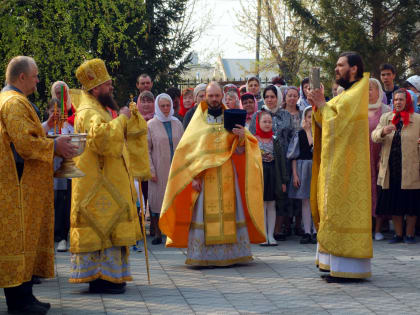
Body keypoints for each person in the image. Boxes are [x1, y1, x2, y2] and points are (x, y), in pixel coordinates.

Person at [0, 56, 76, 314]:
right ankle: (19, 302)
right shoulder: (14, 103)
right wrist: (54, 145)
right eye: (35, 76)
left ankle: (26, 296)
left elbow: (25, 135)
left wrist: (46, 127)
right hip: (18, 187)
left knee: (26, 241)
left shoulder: (13, 101)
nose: (38, 80)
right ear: (22, 77)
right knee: (19, 242)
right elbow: (23, 144)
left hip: (24, 185)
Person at [159, 82, 265, 266]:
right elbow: (188, 152)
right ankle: (203, 256)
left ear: (222, 96)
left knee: (231, 213)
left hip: (227, 175)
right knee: (203, 216)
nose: (214, 99)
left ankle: (231, 254)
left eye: (217, 96)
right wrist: (193, 177)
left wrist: (241, 137)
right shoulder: (197, 121)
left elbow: (241, 151)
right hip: (204, 177)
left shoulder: (231, 116)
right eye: (211, 96)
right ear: (206, 97)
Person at [70, 59, 142, 294]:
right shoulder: (89, 110)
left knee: (108, 228)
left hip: (105, 183)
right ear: (95, 88)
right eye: (108, 84)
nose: (111, 88)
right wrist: (121, 118)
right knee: (101, 228)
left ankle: (109, 276)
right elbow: (101, 140)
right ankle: (102, 278)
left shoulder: (97, 107)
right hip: (97, 185)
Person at [308, 51, 372, 283]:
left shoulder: (357, 92)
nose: (336, 69)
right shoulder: (348, 93)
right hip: (337, 164)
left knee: (341, 210)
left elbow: (337, 122)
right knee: (332, 210)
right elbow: (327, 117)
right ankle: (331, 263)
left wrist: (322, 105)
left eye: (340, 65)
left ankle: (350, 268)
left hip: (348, 168)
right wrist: (317, 105)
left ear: (353, 68)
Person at [372, 89, 420, 244]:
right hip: (391, 169)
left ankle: (410, 235)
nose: (398, 102)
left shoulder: (417, 119)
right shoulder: (387, 118)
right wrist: (383, 132)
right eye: (396, 99)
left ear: (408, 102)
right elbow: (374, 136)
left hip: (411, 168)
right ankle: (398, 235)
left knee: (411, 203)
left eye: (401, 99)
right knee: (395, 203)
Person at [249, 85, 294, 241]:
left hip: (282, 161)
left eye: (273, 96)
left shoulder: (286, 115)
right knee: (264, 199)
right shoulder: (257, 115)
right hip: (262, 165)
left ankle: (276, 231)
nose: (269, 99)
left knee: (279, 197)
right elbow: (251, 137)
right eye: (267, 96)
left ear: (278, 98)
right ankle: (264, 232)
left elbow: (292, 136)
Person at [148, 93, 184, 245]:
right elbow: (146, 150)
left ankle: (174, 231)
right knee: (157, 200)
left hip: (176, 168)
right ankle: (157, 232)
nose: (165, 108)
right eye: (162, 106)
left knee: (175, 199)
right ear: (157, 106)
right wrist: (151, 170)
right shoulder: (150, 124)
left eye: (168, 105)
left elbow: (184, 146)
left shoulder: (177, 123)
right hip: (158, 167)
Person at [42, 98, 73, 253]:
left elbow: (75, 143)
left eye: (59, 112)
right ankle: (49, 235)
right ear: (47, 111)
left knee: (63, 203)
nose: (56, 114)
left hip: (64, 170)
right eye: (53, 111)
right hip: (46, 171)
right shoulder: (43, 127)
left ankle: (62, 237)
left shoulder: (68, 127)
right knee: (50, 203)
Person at [255, 110, 288, 246]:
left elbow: (281, 161)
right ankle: (263, 235)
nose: (267, 124)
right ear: (258, 123)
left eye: (269, 122)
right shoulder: (254, 140)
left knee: (272, 204)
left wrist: (284, 180)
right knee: (262, 205)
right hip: (261, 174)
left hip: (274, 175)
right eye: (264, 122)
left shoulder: (275, 140)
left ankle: (271, 235)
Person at [287, 106, 316, 244]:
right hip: (302, 167)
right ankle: (307, 231)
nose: (311, 120)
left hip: (315, 167)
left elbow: (313, 146)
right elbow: (294, 155)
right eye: (309, 117)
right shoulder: (299, 134)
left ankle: (316, 230)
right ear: (304, 118)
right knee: (305, 201)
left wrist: (309, 131)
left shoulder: (320, 133)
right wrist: (295, 174)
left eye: (314, 117)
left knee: (315, 200)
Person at [367, 78, 392, 241]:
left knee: (379, 190)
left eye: (371, 89)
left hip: (379, 154)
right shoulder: (358, 109)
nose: (368, 92)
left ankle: (378, 228)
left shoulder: (385, 110)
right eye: (366, 89)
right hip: (363, 155)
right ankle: (365, 227)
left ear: (378, 91)